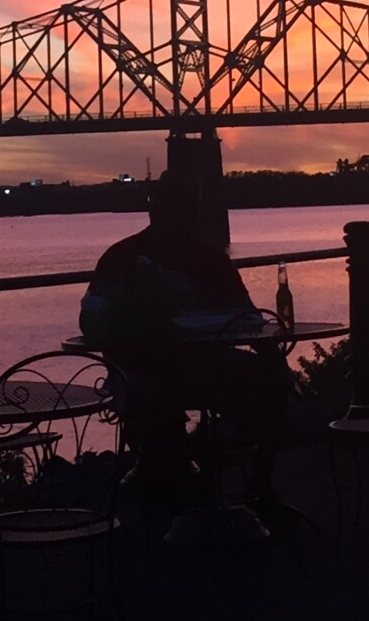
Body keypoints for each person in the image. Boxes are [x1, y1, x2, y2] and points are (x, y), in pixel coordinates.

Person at [79, 170, 293, 512]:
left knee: (272, 380)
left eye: (189, 210)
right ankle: (183, 482)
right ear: (157, 212)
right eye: (180, 210)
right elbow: (93, 320)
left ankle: (252, 484)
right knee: (151, 395)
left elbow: (248, 318)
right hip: (144, 368)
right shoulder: (124, 259)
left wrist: (274, 361)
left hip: (204, 367)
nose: (186, 219)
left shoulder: (208, 259)